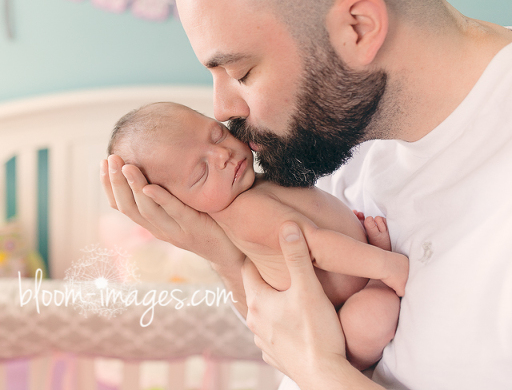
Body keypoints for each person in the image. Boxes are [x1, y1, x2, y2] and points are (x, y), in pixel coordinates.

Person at [101, 0, 512, 388]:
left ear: (358, 28)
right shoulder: (337, 136)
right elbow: (299, 328)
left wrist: (319, 371)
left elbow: (310, 358)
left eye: (243, 73)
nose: (223, 111)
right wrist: (226, 253)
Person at [109, 101, 406, 369]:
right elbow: (315, 247)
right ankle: (358, 363)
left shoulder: (255, 182)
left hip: (355, 275)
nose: (222, 154)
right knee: (372, 318)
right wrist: (384, 266)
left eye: (217, 135)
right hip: (339, 323)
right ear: (178, 207)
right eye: (201, 172)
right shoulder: (244, 212)